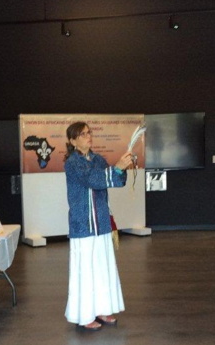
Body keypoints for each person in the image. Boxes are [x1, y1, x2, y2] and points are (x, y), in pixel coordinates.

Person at [63, 122, 133, 331]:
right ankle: (84, 315)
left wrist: (122, 168)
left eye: (89, 133)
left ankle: (103, 309)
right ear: (73, 141)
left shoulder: (98, 159)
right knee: (86, 270)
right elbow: (92, 179)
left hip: (101, 222)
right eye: (82, 134)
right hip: (83, 223)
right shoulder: (72, 163)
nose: (88, 136)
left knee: (103, 268)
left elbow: (116, 181)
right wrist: (117, 168)